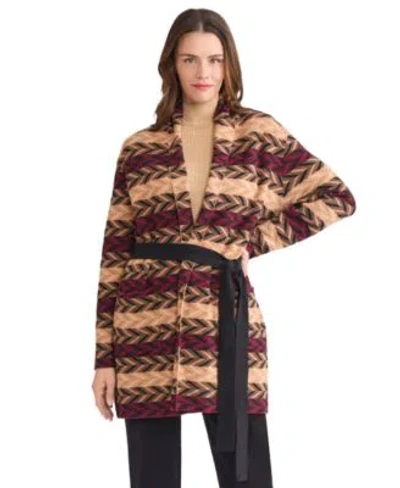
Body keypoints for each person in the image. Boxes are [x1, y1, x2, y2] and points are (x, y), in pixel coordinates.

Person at [91, 8, 357, 488]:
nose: (204, 72)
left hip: (226, 320)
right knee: (152, 479)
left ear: (229, 64)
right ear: (172, 65)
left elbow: (335, 197)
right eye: (190, 60)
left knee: (247, 476)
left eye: (214, 60)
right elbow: (114, 255)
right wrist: (104, 358)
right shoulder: (139, 148)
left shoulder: (259, 135)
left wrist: (252, 242)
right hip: (143, 328)